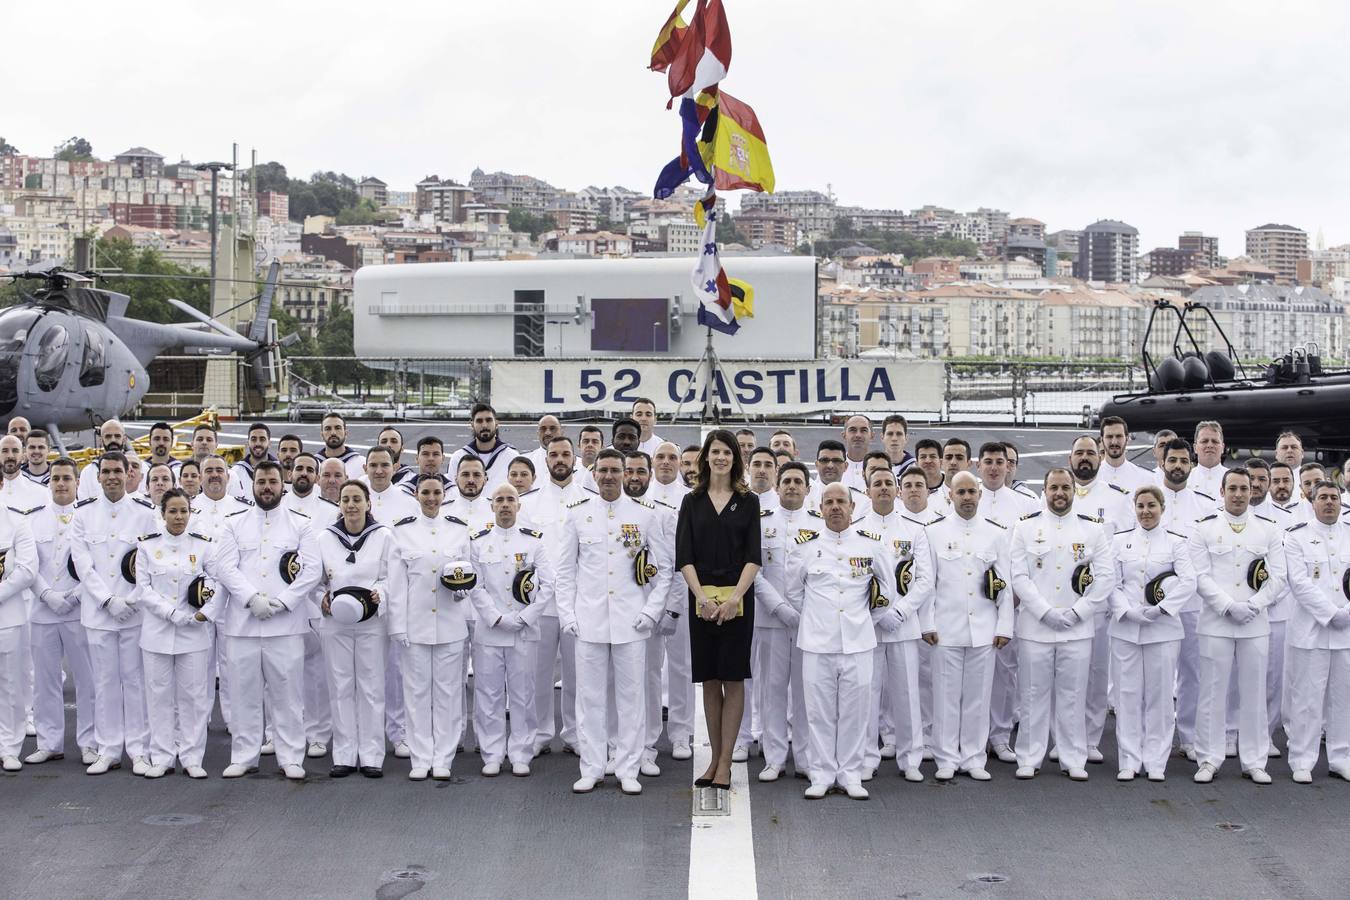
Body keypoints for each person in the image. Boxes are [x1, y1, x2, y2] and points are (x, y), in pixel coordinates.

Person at [556, 448, 673, 796]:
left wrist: (650, 612)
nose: (608, 476)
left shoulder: (644, 515)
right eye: (602, 470)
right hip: (588, 621)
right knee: (589, 699)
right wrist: (568, 615)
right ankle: (591, 767)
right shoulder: (578, 514)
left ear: (625, 474)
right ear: (593, 474)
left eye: (614, 470)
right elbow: (564, 572)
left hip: (631, 622)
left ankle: (627, 767)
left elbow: (665, 570)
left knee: (631, 699)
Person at [786, 483, 898, 800]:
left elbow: (885, 594)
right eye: (829, 502)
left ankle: (850, 774)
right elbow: (794, 594)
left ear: (851, 507)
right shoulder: (805, 549)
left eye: (841, 502)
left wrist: (864, 622)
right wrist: (817, 620)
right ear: (820, 508)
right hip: (817, 644)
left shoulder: (871, 547)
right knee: (818, 713)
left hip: (858, 644)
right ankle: (821, 774)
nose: (835, 507)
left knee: (856, 712)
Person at [213, 462, 321, 780]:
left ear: (282, 484)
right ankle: (244, 755)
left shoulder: (300, 524)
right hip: (243, 624)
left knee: (288, 694)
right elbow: (225, 567)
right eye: (261, 482)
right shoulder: (234, 524)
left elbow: (312, 570)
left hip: (285, 625)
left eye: (272, 481)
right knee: (244, 693)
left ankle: (290, 757)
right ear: (253, 486)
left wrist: (283, 601)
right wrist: (251, 598)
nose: (267, 487)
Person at [1009, 468, 1112, 781]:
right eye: (1053, 487)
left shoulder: (1092, 530)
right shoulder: (1025, 528)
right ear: (1045, 490)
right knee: (1032, 695)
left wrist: (1078, 612)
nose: (1059, 493)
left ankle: (1072, 757)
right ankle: (1029, 756)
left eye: (1065, 487)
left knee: (1072, 695)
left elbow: (1105, 576)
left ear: (1073, 491)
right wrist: (1044, 611)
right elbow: (1019, 575)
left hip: (1076, 628)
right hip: (1035, 627)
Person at [675, 431, 762, 790]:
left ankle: (726, 762)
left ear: (735, 458)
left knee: (733, 678)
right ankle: (713, 758)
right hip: (703, 604)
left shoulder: (749, 500)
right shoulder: (691, 501)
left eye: (727, 452)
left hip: (737, 604)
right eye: (715, 452)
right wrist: (703, 598)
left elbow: (754, 557)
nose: (721, 457)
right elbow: (684, 557)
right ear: (705, 458)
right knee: (709, 681)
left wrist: (732, 600)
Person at [1189, 468, 1285, 785]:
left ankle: (1255, 760)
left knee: (1254, 694)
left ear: (1252, 491)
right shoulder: (1203, 529)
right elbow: (1200, 576)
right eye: (1233, 488)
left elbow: (1278, 577)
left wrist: (1253, 607)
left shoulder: (1268, 530)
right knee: (1212, 693)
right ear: (1222, 491)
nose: (1240, 494)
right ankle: (1208, 758)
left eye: (1245, 488)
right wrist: (1228, 606)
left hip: (1255, 623)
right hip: (1216, 621)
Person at [70, 451, 157, 775]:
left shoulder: (144, 513)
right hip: (99, 612)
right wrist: (107, 601)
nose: (111, 477)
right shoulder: (84, 514)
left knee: (134, 681)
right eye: (105, 472)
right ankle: (108, 749)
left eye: (117, 471)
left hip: (134, 612)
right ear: (98, 476)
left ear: (127, 473)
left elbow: (149, 560)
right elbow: (83, 564)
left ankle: (138, 749)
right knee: (104, 682)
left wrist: (132, 599)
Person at [134, 489, 230, 778]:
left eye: (183, 511)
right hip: (158, 632)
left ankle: (192, 757)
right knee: (159, 697)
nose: (178, 517)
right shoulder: (147, 547)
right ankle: (162, 756)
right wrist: (170, 613)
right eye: (173, 511)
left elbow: (220, 583)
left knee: (193, 697)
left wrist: (206, 613)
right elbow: (143, 589)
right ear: (162, 514)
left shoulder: (204, 547)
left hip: (194, 632)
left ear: (191, 513)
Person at [926, 471, 1013, 782]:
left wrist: (1005, 627)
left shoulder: (996, 534)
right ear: (950, 494)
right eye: (960, 492)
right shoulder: (933, 533)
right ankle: (946, 757)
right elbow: (928, 584)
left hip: (984, 629)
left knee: (978, 696)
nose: (966, 497)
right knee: (946, 696)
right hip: (945, 628)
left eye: (971, 492)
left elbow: (1005, 584)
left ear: (979, 495)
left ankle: (975, 757)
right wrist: (927, 623)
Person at [388, 474, 473, 780]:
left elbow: (469, 573)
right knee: (416, 694)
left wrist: (464, 589)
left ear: (444, 495)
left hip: (450, 624)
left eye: (437, 492)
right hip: (416, 626)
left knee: (449, 694)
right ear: (417, 495)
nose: (432, 498)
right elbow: (396, 586)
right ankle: (421, 757)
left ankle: (443, 758)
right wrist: (397, 627)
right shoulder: (402, 532)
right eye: (426, 492)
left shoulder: (459, 530)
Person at [1109, 485, 1195, 782]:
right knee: (1127, 695)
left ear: (1162, 508)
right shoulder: (1120, 542)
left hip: (1163, 629)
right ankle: (1129, 759)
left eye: (1151, 506)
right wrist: (1127, 611)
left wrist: (1162, 609)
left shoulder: (1176, 543)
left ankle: (1157, 760)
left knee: (1159, 696)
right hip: (1126, 628)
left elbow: (1188, 582)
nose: (1146, 511)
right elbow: (1111, 582)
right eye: (1141, 506)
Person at [468, 484, 552, 777]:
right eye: (500, 500)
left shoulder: (534, 542)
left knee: (523, 694)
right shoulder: (478, 542)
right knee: (488, 694)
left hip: (523, 630)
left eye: (510, 500)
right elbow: (473, 585)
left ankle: (521, 752)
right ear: (491, 506)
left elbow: (548, 585)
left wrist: (525, 617)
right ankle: (492, 752)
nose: (505, 505)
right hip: (490, 631)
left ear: (519, 506)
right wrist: (494, 617)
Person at [316, 480, 395, 778]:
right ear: (339, 505)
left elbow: (392, 576)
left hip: (371, 622)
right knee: (340, 686)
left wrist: (381, 594)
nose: (351, 505)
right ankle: (345, 754)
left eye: (356, 499)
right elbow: (315, 579)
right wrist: (320, 598)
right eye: (346, 499)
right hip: (336, 622)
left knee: (372, 686)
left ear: (368, 503)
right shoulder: (324, 538)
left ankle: (372, 754)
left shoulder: (384, 536)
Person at [861, 466, 933, 782]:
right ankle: (865, 757)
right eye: (877, 484)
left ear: (898, 490)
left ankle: (910, 758)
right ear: (867, 491)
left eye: (889, 483)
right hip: (868, 628)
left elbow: (925, 579)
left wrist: (900, 612)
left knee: (907, 695)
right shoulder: (857, 529)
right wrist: (879, 615)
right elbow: (855, 581)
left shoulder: (915, 530)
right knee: (868, 696)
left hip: (904, 626)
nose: (884, 488)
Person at [24, 459, 97, 767]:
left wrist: (72, 596)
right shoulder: (33, 519)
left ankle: (90, 743)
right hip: (43, 609)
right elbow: (28, 563)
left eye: (67, 478)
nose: (61, 483)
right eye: (56, 478)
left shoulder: (88, 518)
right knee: (45, 680)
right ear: (49, 482)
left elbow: (95, 565)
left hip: (79, 609)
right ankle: (49, 742)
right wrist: (46, 594)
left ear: (77, 482)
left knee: (87, 680)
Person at [751, 461, 815, 781]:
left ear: (807, 488)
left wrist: (806, 612)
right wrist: (778, 607)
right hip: (771, 619)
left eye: (797, 481)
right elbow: (752, 571)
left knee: (805, 693)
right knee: (772, 690)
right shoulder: (762, 523)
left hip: (809, 623)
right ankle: (774, 757)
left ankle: (803, 757)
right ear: (777, 486)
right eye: (786, 481)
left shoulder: (819, 525)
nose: (791, 486)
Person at [1284, 479, 1350, 783]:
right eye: (1322, 497)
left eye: (1333, 497)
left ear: (1341, 501)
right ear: (1312, 502)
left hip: (1347, 631)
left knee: (1343, 698)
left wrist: (1346, 614)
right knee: (1307, 699)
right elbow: (1299, 583)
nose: (1329, 503)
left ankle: (1341, 757)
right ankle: (1302, 759)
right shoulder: (1297, 537)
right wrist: (1330, 613)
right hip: (1311, 631)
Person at [525, 435, 587, 756]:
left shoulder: (589, 499)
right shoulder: (529, 501)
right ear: (546, 459)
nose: (559, 459)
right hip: (541, 602)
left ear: (574, 459)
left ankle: (574, 731)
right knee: (540, 671)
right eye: (554, 454)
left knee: (577, 673)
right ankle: (540, 731)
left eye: (565, 454)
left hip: (579, 602)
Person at [280, 452, 335, 758]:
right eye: (298, 468)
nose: (302, 473)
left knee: (317, 677)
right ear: (289, 473)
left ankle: (317, 734)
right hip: (281, 603)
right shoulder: (275, 505)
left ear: (317, 476)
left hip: (314, 603)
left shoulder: (329, 512)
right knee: (279, 673)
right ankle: (277, 733)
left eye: (309, 469)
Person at [649, 441, 694, 759]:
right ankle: (648, 736)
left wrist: (675, 604)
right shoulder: (639, 497)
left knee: (682, 668)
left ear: (681, 463)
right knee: (648, 670)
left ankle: (681, 733)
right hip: (644, 597)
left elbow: (687, 556)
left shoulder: (690, 500)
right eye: (660, 457)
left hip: (682, 594)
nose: (666, 462)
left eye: (672, 458)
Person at [0, 492, 37, 771]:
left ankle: (9, 747)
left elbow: (26, 570)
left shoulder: (16, 521)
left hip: (7, 616)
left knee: (11, 686)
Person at [449, 403, 516, 491]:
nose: (484, 425)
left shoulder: (512, 457)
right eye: (479, 421)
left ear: (496, 423)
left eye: (488, 420)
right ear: (472, 424)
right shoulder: (458, 457)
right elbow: (452, 493)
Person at [1098, 416, 1154, 492]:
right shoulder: (1090, 477)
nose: (1114, 442)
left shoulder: (1145, 478)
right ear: (1102, 440)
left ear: (1127, 439)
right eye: (1109, 437)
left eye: (1119, 436)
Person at [77, 419, 129, 499]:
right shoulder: (88, 473)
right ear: (101, 440)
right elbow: (84, 506)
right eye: (108, 436)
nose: (113, 440)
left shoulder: (139, 468)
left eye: (117, 436)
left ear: (124, 439)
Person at [229, 423, 276, 499]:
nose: (257, 443)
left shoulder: (280, 470)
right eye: (253, 439)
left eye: (262, 439)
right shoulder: (235, 472)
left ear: (269, 443)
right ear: (248, 443)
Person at [0, 435, 46, 509]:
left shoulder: (40, 492)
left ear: (23, 454)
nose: (10, 456)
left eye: (15, 451)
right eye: (5, 451)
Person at [320, 412, 366, 480]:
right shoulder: (314, 464)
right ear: (322, 435)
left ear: (346, 433)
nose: (333, 433)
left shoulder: (362, 463)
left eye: (338, 428)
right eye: (328, 429)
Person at [1190, 421, 1227, 498]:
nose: (1210, 445)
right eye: (1204, 441)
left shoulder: (1233, 479)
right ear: (1195, 448)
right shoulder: (1185, 480)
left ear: (1223, 448)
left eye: (1215, 441)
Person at [840, 415, 873, 491]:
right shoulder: (834, 467)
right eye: (853, 430)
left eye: (863, 430)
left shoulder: (881, 467)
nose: (858, 435)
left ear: (872, 435)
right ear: (844, 435)